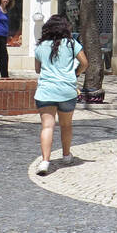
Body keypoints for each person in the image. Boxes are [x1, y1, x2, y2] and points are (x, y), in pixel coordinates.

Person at [33, 13, 88, 176]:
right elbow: (85, 63)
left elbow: (37, 69)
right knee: (66, 125)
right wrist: (76, 72)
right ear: (65, 28)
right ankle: (66, 156)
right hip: (67, 90)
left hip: (46, 91)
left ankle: (45, 161)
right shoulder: (72, 44)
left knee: (47, 126)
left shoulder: (40, 46)